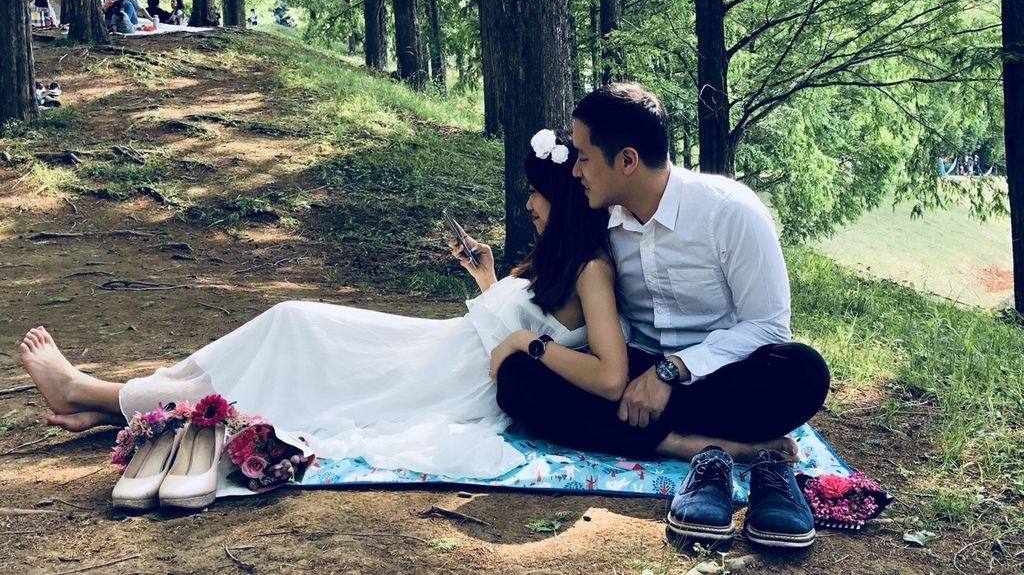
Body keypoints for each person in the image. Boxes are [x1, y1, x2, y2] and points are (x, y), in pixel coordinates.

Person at [18, 131, 626, 481]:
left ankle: (93, 394)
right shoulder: (554, 261)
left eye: (536, 194)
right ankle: (116, 401)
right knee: (291, 326)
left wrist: (525, 344)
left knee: (296, 354)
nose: (528, 206)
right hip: (436, 348)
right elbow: (510, 322)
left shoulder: (592, 270)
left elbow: (608, 375)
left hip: (448, 379)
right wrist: (487, 276)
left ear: (566, 203)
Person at [495, 83, 830, 548]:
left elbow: (768, 326)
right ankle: (705, 447)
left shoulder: (729, 211)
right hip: (630, 379)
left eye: (585, 158)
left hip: (720, 378)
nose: (575, 171)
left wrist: (672, 371)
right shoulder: (599, 219)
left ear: (627, 160)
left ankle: (669, 434)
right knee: (519, 379)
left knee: (804, 371)